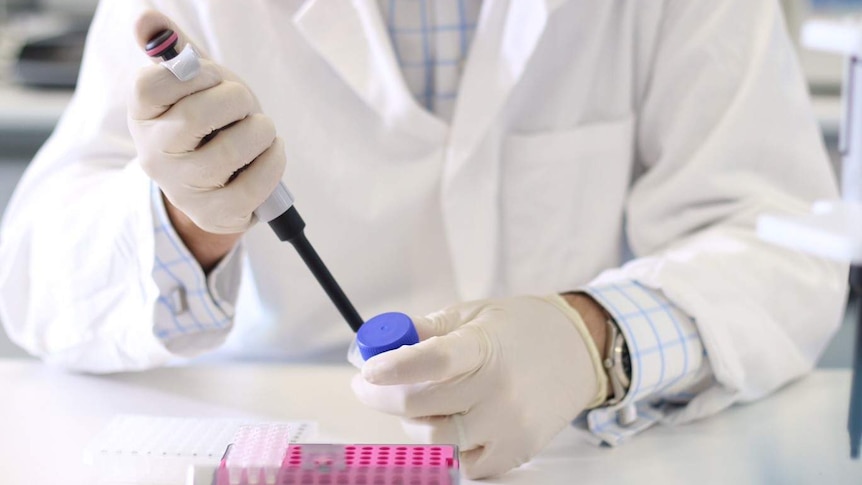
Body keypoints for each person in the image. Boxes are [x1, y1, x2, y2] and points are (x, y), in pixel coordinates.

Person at [0, 0, 848, 479]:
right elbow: (35, 284)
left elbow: (782, 243)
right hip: (277, 451)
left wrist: (593, 337)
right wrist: (190, 217)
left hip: (569, 455)